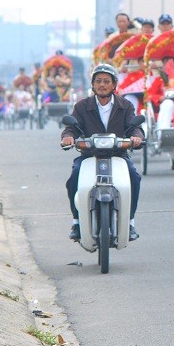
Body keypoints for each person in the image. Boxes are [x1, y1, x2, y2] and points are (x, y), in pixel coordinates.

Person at [61, 64, 144, 241]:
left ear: (114, 85)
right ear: (92, 84)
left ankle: (130, 223)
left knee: (134, 178)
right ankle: (76, 221)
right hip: (89, 155)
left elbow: (134, 127)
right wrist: (68, 137)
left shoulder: (125, 105)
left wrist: (136, 137)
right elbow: (71, 127)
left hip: (118, 155)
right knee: (74, 177)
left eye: (107, 81)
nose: (102, 85)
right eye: (98, 81)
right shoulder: (82, 106)